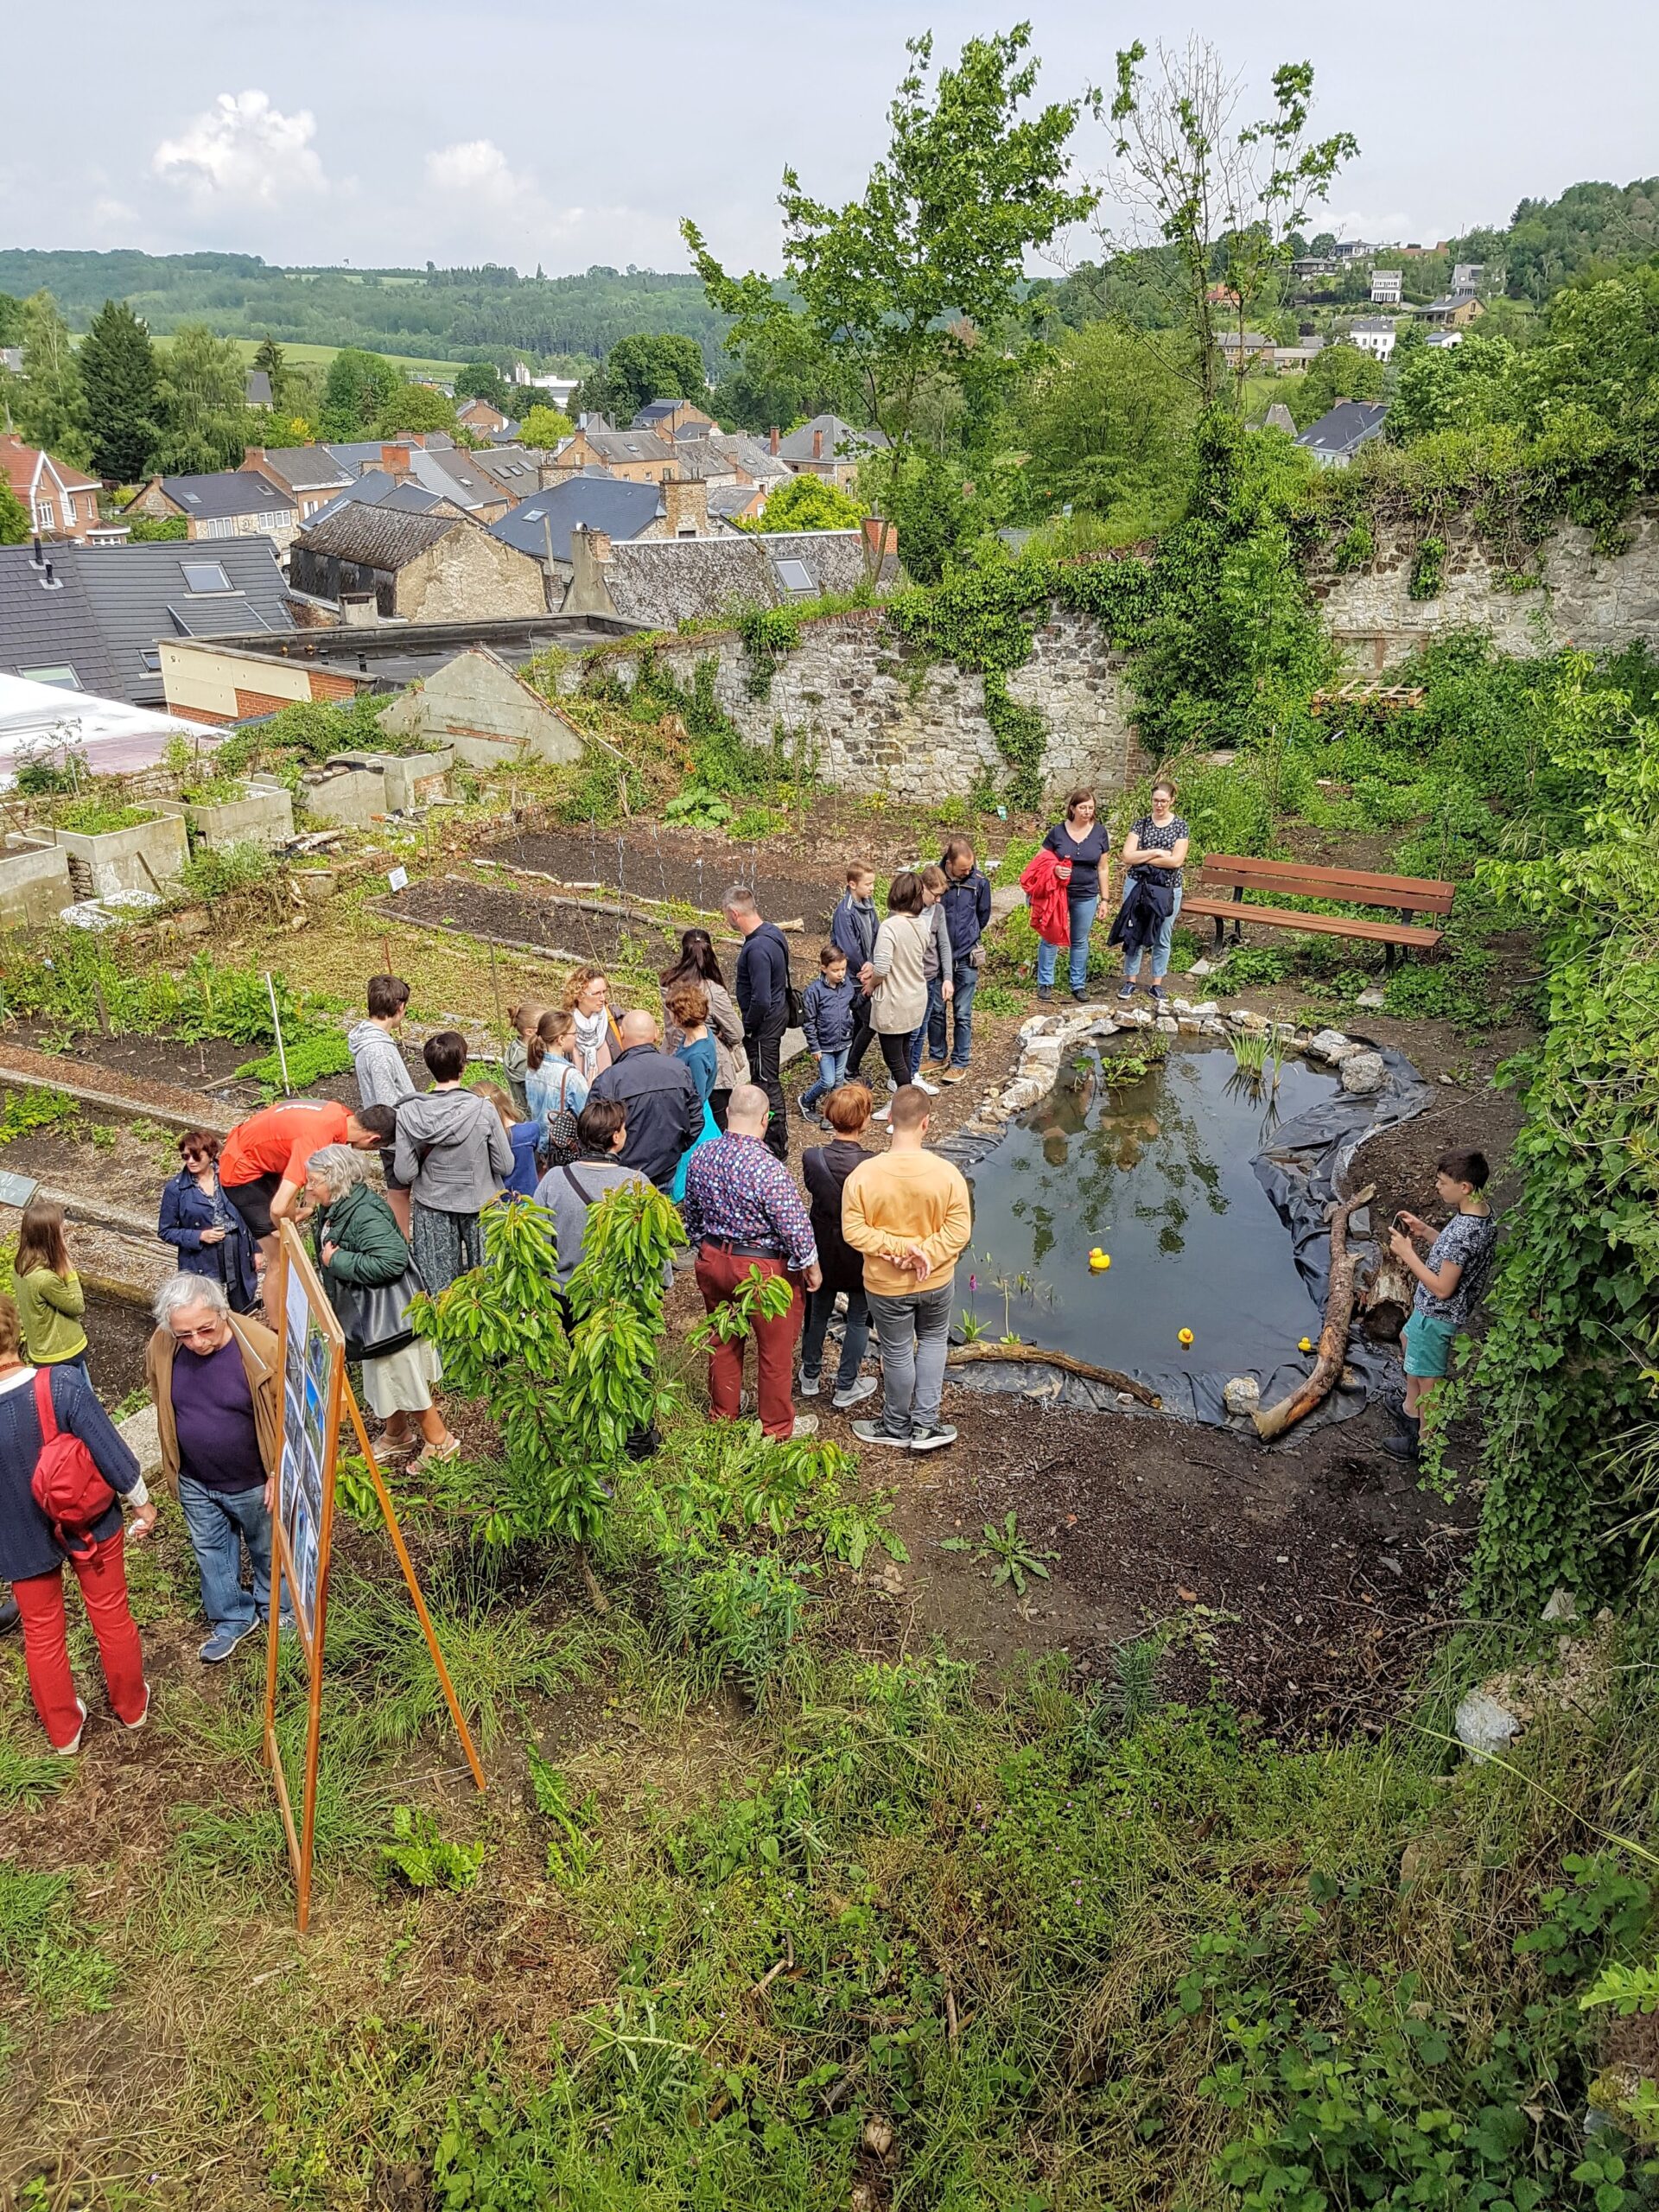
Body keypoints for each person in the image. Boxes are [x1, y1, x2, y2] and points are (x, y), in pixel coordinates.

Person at [0, 1291, 154, 1753]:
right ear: (17, 1331)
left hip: (18, 1535)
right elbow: (109, 1451)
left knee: (42, 1631)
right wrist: (142, 1503)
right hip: (89, 1520)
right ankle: (131, 1705)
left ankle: (64, 1731)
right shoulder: (61, 1384)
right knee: (111, 1615)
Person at [145, 1273, 288, 1662]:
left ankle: (282, 1612)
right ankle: (232, 1618)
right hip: (195, 1478)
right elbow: (159, 1391)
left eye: (205, 1330)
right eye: (185, 1335)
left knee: (268, 1548)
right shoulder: (163, 1344)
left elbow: (291, 1419)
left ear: (223, 1312)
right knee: (211, 1552)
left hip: (253, 1480)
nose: (196, 1342)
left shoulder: (264, 1350)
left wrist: (278, 1471)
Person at [681, 1084, 822, 1443]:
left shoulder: (702, 1156)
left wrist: (705, 1246)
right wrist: (810, 1263)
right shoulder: (768, 1169)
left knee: (723, 1339)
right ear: (765, 1119)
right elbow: (793, 1224)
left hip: (714, 1259)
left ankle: (723, 1415)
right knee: (774, 1350)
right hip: (762, 1271)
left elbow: (692, 1213)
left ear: (727, 1114)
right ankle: (775, 1429)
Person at [307, 1146, 458, 1471]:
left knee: (404, 1379)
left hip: (390, 1321)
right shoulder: (339, 1206)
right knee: (384, 1378)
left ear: (335, 1179)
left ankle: (440, 1441)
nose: (308, 1187)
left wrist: (338, 1261)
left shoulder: (364, 1214)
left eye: (313, 1180)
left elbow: (392, 1259)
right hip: (372, 1317)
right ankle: (396, 1433)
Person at [843, 1084, 972, 1452]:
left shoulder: (864, 1176)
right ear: (926, 1123)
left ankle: (896, 1426)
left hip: (886, 1285)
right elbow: (959, 1229)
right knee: (933, 1342)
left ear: (888, 1120)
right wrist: (923, 1252)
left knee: (897, 1350)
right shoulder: (947, 1174)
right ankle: (927, 1425)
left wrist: (899, 1250)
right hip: (936, 1279)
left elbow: (853, 1229)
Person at [1385, 1148, 1499, 1463]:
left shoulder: (1465, 1232)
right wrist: (1425, 1232)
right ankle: (1410, 1409)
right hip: (1429, 1312)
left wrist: (1408, 1254)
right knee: (1407, 1340)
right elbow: (1454, 1257)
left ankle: (1424, 1443)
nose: (1437, 1186)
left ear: (1464, 1187)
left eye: (1442, 1182)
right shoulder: (1479, 1214)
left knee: (1428, 1379)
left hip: (1438, 1314)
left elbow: (1443, 1287)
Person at [219, 1098, 395, 1287]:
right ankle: (280, 1317)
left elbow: (312, 1166)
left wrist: (309, 1206)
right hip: (241, 1171)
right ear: (373, 1140)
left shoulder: (341, 1115)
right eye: (374, 1149)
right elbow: (278, 1209)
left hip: (264, 1153)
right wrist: (287, 1231)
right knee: (280, 1260)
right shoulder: (314, 1139)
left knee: (288, 1248)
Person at [391, 1032, 514, 1294]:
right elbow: (505, 1166)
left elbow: (404, 1173)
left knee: (440, 1292)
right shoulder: (484, 1109)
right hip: (480, 1204)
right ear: (463, 1066)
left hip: (432, 1206)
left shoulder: (408, 1113)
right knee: (490, 1290)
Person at [798, 1084, 879, 1410]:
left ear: (830, 1117)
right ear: (864, 1120)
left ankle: (810, 1375)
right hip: (859, 1249)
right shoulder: (874, 1164)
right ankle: (846, 1385)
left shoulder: (812, 1157)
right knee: (859, 1317)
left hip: (821, 1247)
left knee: (817, 1312)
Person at [533, 1097, 656, 1290]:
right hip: (620, 1292)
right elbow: (653, 1240)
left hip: (567, 1290)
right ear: (616, 1137)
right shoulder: (636, 1183)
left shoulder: (554, 1179)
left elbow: (539, 1239)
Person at [589, 1009, 702, 1192]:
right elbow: (696, 1121)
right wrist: (674, 1150)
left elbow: (593, 1135)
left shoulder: (609, 1080)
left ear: (622, 1033)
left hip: (623, 1179)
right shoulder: (680, 1071)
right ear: (657, 1033)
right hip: (666, 1172)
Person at [157, 1129, 258, 1313]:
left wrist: (257, 1250)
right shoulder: (176, 1189)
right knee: (206, 1306)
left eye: (196, 1156)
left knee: (244, 1305)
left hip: (238, 1248)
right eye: (186, 1156)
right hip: (201, 1257)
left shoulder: (232, 1176)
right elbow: (165, 1230)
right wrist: (199, 1236)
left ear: (211, 1154)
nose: (190, 1161)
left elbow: (250, 1213)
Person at [726, 887, 793, 1161]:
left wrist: (749, 1027)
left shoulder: (756, 949)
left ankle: (776, 1146)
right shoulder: (773, 932)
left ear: (734, 913)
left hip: (765, 1027)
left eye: (726, 916)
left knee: (767, 1083)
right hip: (777, 1016)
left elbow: (761, 998)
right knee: (767, 1081)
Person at [349, 974, 417, 1235]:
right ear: (399, 1008)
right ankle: (402, 1246)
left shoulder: (370, 1041)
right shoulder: (377, 1050)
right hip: (395, 1134)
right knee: (399, 1191)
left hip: (391, 1133)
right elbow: (388, 1102)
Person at [1116, 779, 1190, 1009]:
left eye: (1164, 801)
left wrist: (1143, 856)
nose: (1159, 805)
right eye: (1156, 800)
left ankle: (1157, 982)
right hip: (1138, 885)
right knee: (1134, 930)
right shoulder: (1141, 825)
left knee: (1163, 935)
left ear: (1172, 801)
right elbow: (1127, 856)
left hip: (1168, 888)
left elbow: (1176, 860)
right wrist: (1157, 852)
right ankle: (1130, 980)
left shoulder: (1180, 826)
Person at [1039, 788, 1113, 1002]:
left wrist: (1105, 899)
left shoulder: (1099, 833)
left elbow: (1103, 868)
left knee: (1079, 940)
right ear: (1072, 808)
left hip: (1086, 894)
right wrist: (1054, 869)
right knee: (1050, 938)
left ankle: (1078, 984)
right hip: (1057, 894)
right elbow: (1041, 861)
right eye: (1083, 807)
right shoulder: (1058, 832)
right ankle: (1045, 983)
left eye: (1091, 808)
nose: (1087, 811)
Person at [868, 873, 931, 1122]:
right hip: (916, 996)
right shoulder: (921, 925)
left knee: (894, 1060)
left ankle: (908, 1114)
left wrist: (870, 984)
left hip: (894, 1001)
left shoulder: (890, 926)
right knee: (905, 1053)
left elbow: (882, 968)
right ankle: (898, 1105)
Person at [928, 836, 992, 1083]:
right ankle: (937, 1055)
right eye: (963, 868)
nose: (969, 871)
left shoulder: (979, 882)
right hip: (937, 958)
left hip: (966, 957)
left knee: (963, 1013)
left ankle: (960, 1061)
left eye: (971, 867)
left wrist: (969, 933)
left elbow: (983, 915)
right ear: (949, 863)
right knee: (936, 1010)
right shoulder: (935, 879)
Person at [13, 1198, 90, 1380]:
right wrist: (69, 1270)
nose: (64, 1233)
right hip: (63, 1353)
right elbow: (77, 1305)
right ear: (50, 1237)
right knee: (82, 1401)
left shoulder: (21, 1266)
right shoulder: (44, 1279)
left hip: (40, 1352)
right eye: (61, 1231)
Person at [798, 944, 859, 1126]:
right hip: (824, 1045)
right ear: (823, 968)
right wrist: (814, 1047)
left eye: (843, 969)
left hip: (844, 1041)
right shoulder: (814, 991)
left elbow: (853, 1004)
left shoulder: (847, 984)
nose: (840, 974)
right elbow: (809, 1022)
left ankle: (832, 1115)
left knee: (839, 1081)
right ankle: (806, 1099)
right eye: (835, 970)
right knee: (827, 1080)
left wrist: (867, 993)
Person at [906, 864, 955, 1093]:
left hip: (930, 978)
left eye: (940, 896)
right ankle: (902, 1074)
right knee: (910, 1030)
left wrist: (947, 978)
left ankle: (913, 1072)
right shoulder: (906, 909)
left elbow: (944, 945)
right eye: (934, 895)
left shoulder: (938, 911)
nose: (937, 900)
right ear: (922, 887)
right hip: (909, 979)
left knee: (922, 1028)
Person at [831, 861, 880, 1082]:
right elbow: (848, 947)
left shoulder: (869, 905)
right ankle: (849, 1067)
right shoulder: (845, 912)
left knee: (861, 1023)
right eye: (868, 884)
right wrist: (865, 966)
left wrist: (873, 962)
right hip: (854, 979)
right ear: (852, 884)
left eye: (873, 884)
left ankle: (846, 1066)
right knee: (870, 1021)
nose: (872, 888)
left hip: (867, 972)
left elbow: (877, 933)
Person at [524, 1007, 588, 1169]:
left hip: (539, 1147)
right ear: (560, 1039)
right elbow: (586, 1115)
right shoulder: (571, 1076)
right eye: (574, 1034)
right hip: (563, 1149)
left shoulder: (532, 1068)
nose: (576, 1037)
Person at [472, 1081, 544, 1198]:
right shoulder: (530, 1131)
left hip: (497, 1203)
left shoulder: (480, 1141)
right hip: (529, 1201)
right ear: (505, 1101)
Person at [563, 968, 621, 1083]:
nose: (603, 999)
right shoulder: (564, 1025)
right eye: (596, 994)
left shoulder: (615, 1017)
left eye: (604, 992)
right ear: (579, 996)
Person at [503, 1001, 545, 1119]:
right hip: (531, 1115)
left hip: (520, 1112)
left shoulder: (516, 1047)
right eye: (544, 1026)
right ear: (529, 1032)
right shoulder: (525, 1060)